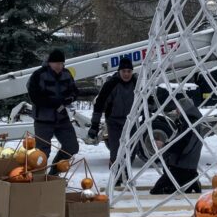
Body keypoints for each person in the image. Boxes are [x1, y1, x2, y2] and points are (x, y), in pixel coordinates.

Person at [26, 48, 79, 176]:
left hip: (61, 118)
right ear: (50, 63)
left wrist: (69, 98)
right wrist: (53, 103)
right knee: (42, 153)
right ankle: (37, 179)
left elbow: (74, 91)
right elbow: (34, 96)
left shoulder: (66, 74)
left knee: (71, 146)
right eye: (57, 63)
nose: (59, 66)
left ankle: (54, 172)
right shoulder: (39, 75)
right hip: (43, 120)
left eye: (62, 63)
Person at [86, 57, 137, 182]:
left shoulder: (137, 83)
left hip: (131, 121)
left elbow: (145, 100)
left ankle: (125, 173)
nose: (126, 74)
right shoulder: (111, 84)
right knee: (116, 150)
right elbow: (99, 105)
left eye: (129, 71)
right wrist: (94, 125)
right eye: (124, 71)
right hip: (114, 122)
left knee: (132, 150)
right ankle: (117, 178)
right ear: (119, 71)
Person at [149, 94, 203, 195]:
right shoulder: (187, 122)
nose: (176, 110)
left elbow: (183, 146)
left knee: (157, 191)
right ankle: (191, 181)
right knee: (168, 189)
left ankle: (191, 181)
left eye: (178, 108)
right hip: (182, 166)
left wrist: (164, 146)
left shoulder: (190, 124)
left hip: (182, 168)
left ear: (184, 108)